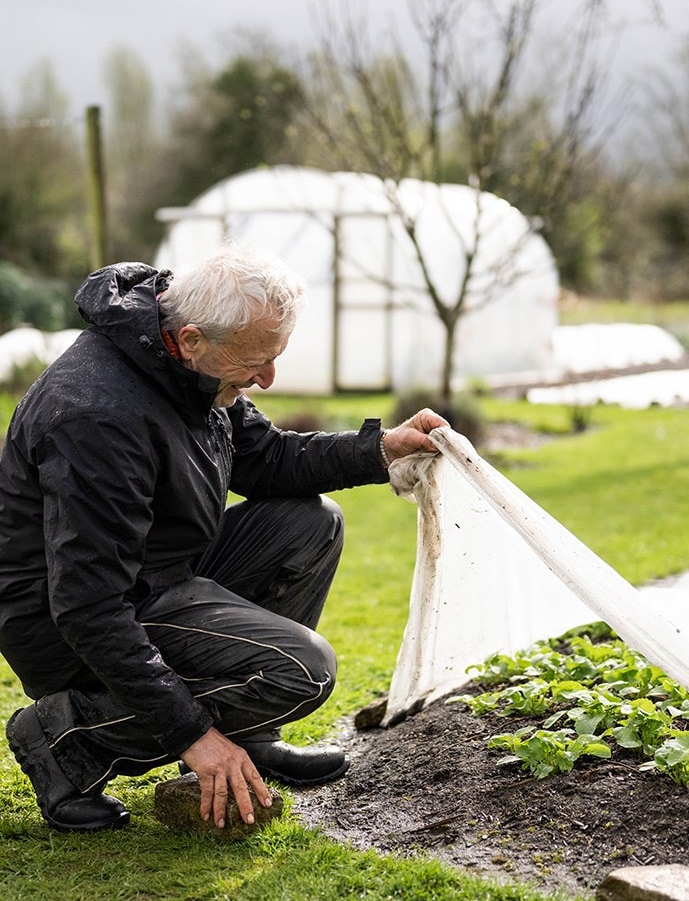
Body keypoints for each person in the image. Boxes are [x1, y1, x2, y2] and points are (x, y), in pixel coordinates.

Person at [0, 244, 449, 833]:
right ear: (190, 340)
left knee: (310, 523)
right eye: (257, 361)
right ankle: (65, 739)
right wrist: (194, 736)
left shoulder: (184, 364)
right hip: (66, 622)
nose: (267, 378)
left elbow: (264, 459)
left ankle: (251, 733)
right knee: (302, 669)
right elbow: (88, 604)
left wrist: (381, 448)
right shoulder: (97, 415)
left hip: (151, 576)